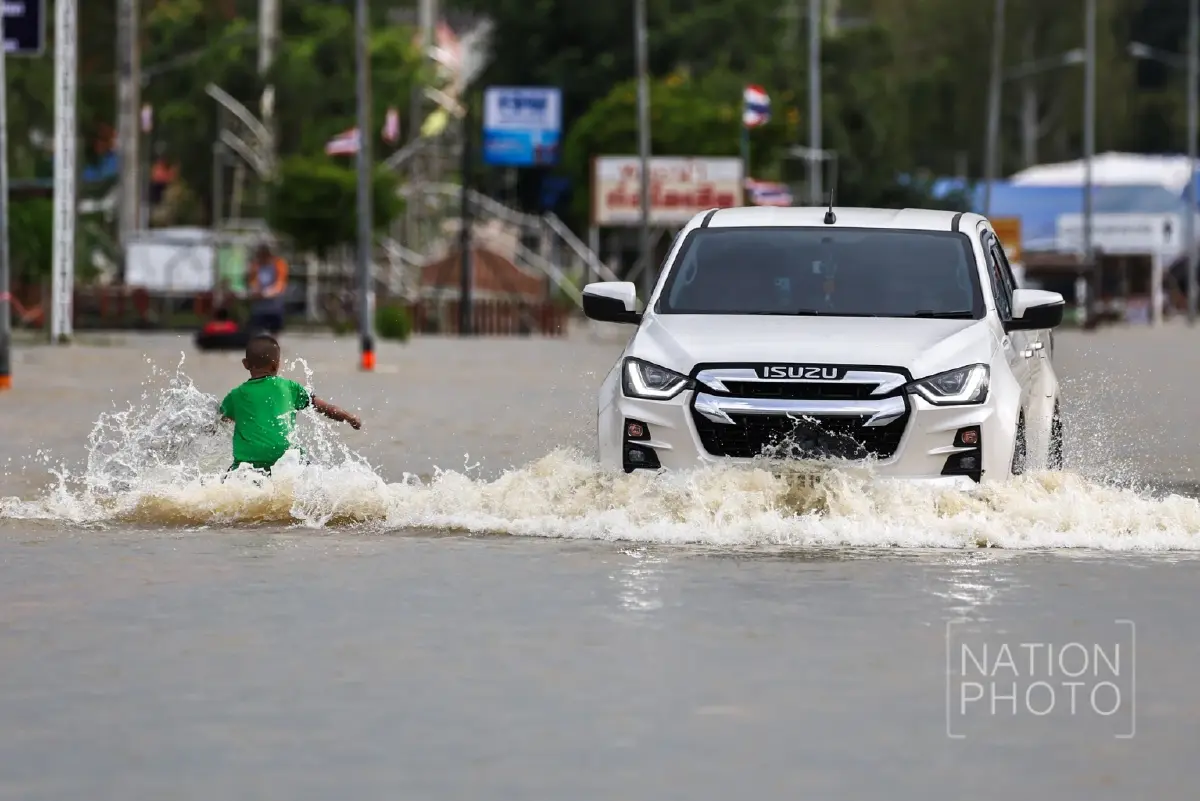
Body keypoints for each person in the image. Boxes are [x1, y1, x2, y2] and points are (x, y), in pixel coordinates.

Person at [218, 334, 361, 474]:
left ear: (245, 364)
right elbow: (325, 408)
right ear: (276, 365)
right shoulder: (289, 388)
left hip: (248, 463)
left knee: (228, 481)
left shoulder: (235, 396)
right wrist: (349, 417)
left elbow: (219, 421)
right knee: (310, 474)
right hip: (286, 458)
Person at [246, 243, 289, 334]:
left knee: (274, 333)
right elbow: (252, 282)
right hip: (258, 309)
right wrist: (254, 291)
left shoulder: (279, 264)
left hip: (275, 307)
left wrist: (265, 293)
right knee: (258, 333)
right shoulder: (255, 266)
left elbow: (280, 284)